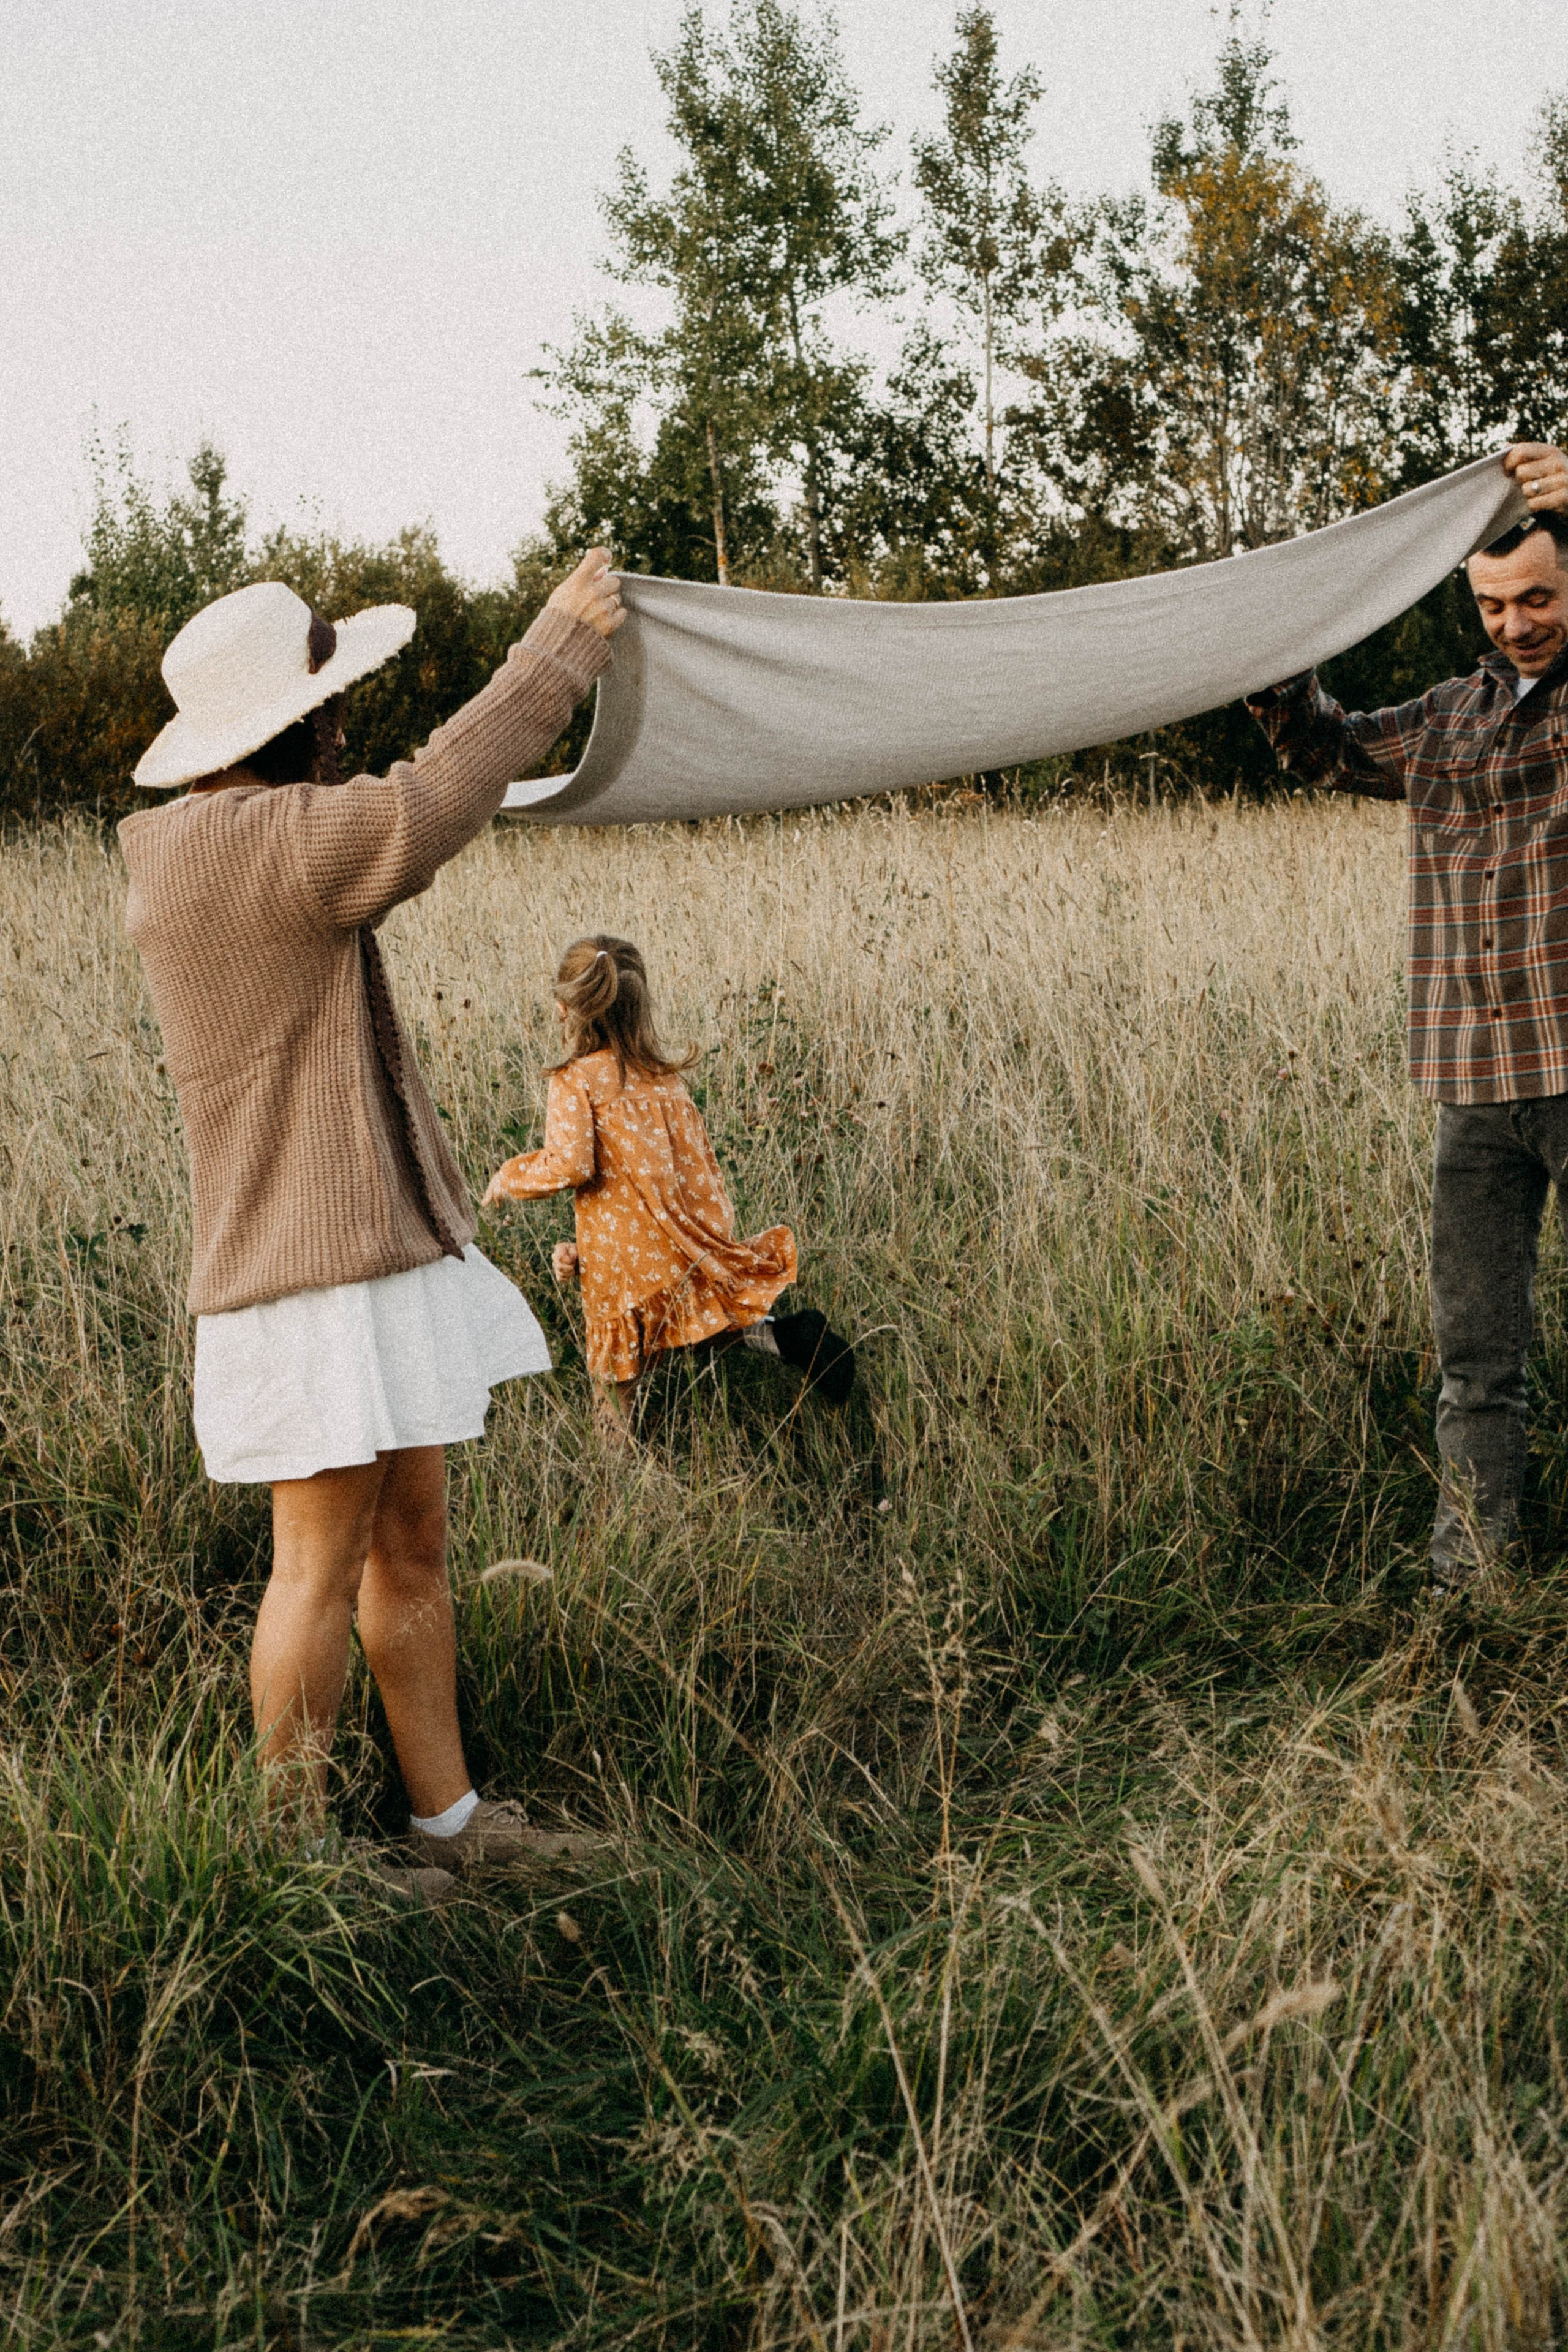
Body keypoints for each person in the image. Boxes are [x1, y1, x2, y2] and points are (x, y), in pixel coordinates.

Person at [119, 552, 625, 1899]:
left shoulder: (232, 840)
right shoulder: (254, 845)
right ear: (283, 723)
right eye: (326, 704)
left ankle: (452, 1828)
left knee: (408, 1548)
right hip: (307, 1274)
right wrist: (557, 654)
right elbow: (436, 798)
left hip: (369, 1251)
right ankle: (293, 1872)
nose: (342, 723)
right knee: (316, 1566)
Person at [1248, 439, 1568, 1593]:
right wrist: (1264, 640)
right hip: (1472, 1082)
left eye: (1539, 599)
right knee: (1476, 1361)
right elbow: (1323, 749)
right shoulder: (1446, 718)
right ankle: (1472, 1585)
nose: (1516, 624)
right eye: (1493, 604)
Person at [481, 935, 856, 1442]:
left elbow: (571, 1164)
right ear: (640, 1006)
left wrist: (510, 1176)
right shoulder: (666, 1082)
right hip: (682, 1244)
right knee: (694, 1326)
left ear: (564, 1009)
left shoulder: (576, 1080)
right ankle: (781, 1337)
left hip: (625, 1265)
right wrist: (692, 1245)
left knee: (614, 1383)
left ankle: (613, 1472)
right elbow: (694, 1177)